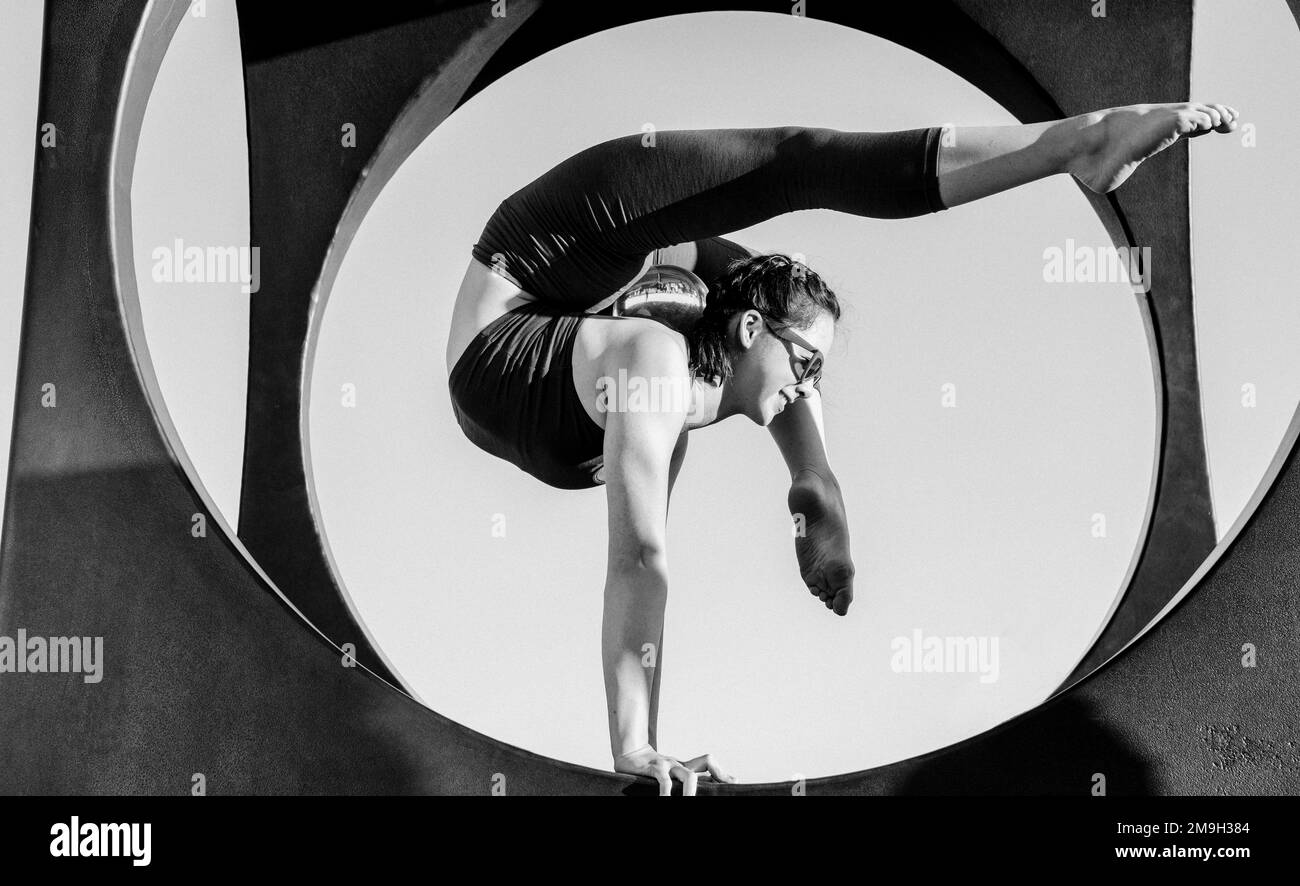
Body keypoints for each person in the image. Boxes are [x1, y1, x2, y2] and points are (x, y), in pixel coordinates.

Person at [444, 102, 1239, 795]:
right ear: (754, 333)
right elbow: (639, 558)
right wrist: (635, 747)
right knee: (799, 164)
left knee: (736, 322)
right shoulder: (651, 353)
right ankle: (1079, 141)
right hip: (535, 278)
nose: (812, 385)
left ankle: (820, 478)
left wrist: (819, 492)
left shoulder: (687, 362)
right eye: (809, 365)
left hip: (618, 326)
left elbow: (763, 360)